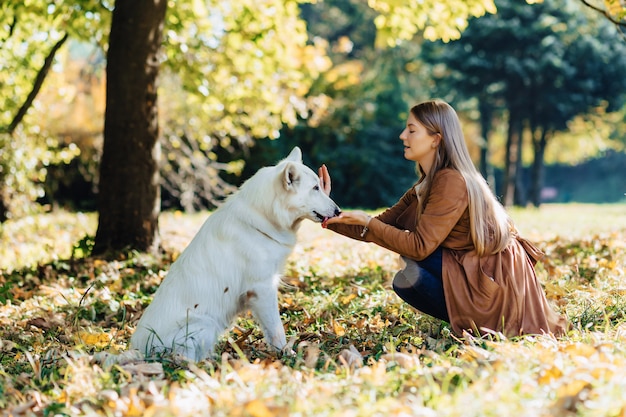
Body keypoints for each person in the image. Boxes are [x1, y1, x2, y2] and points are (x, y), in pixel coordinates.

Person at [319, 99, 568, 338]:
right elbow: (376, 227)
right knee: (407, 272)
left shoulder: (451, 181)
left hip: (495, 279)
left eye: (411, 130)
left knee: (410, 267)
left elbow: (418, 246)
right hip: (472, 268)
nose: (402, 136)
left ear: (436, 139)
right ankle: (471, 320)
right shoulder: (428, 183)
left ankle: (482, 324)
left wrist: (369, 223)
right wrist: (322, 209)